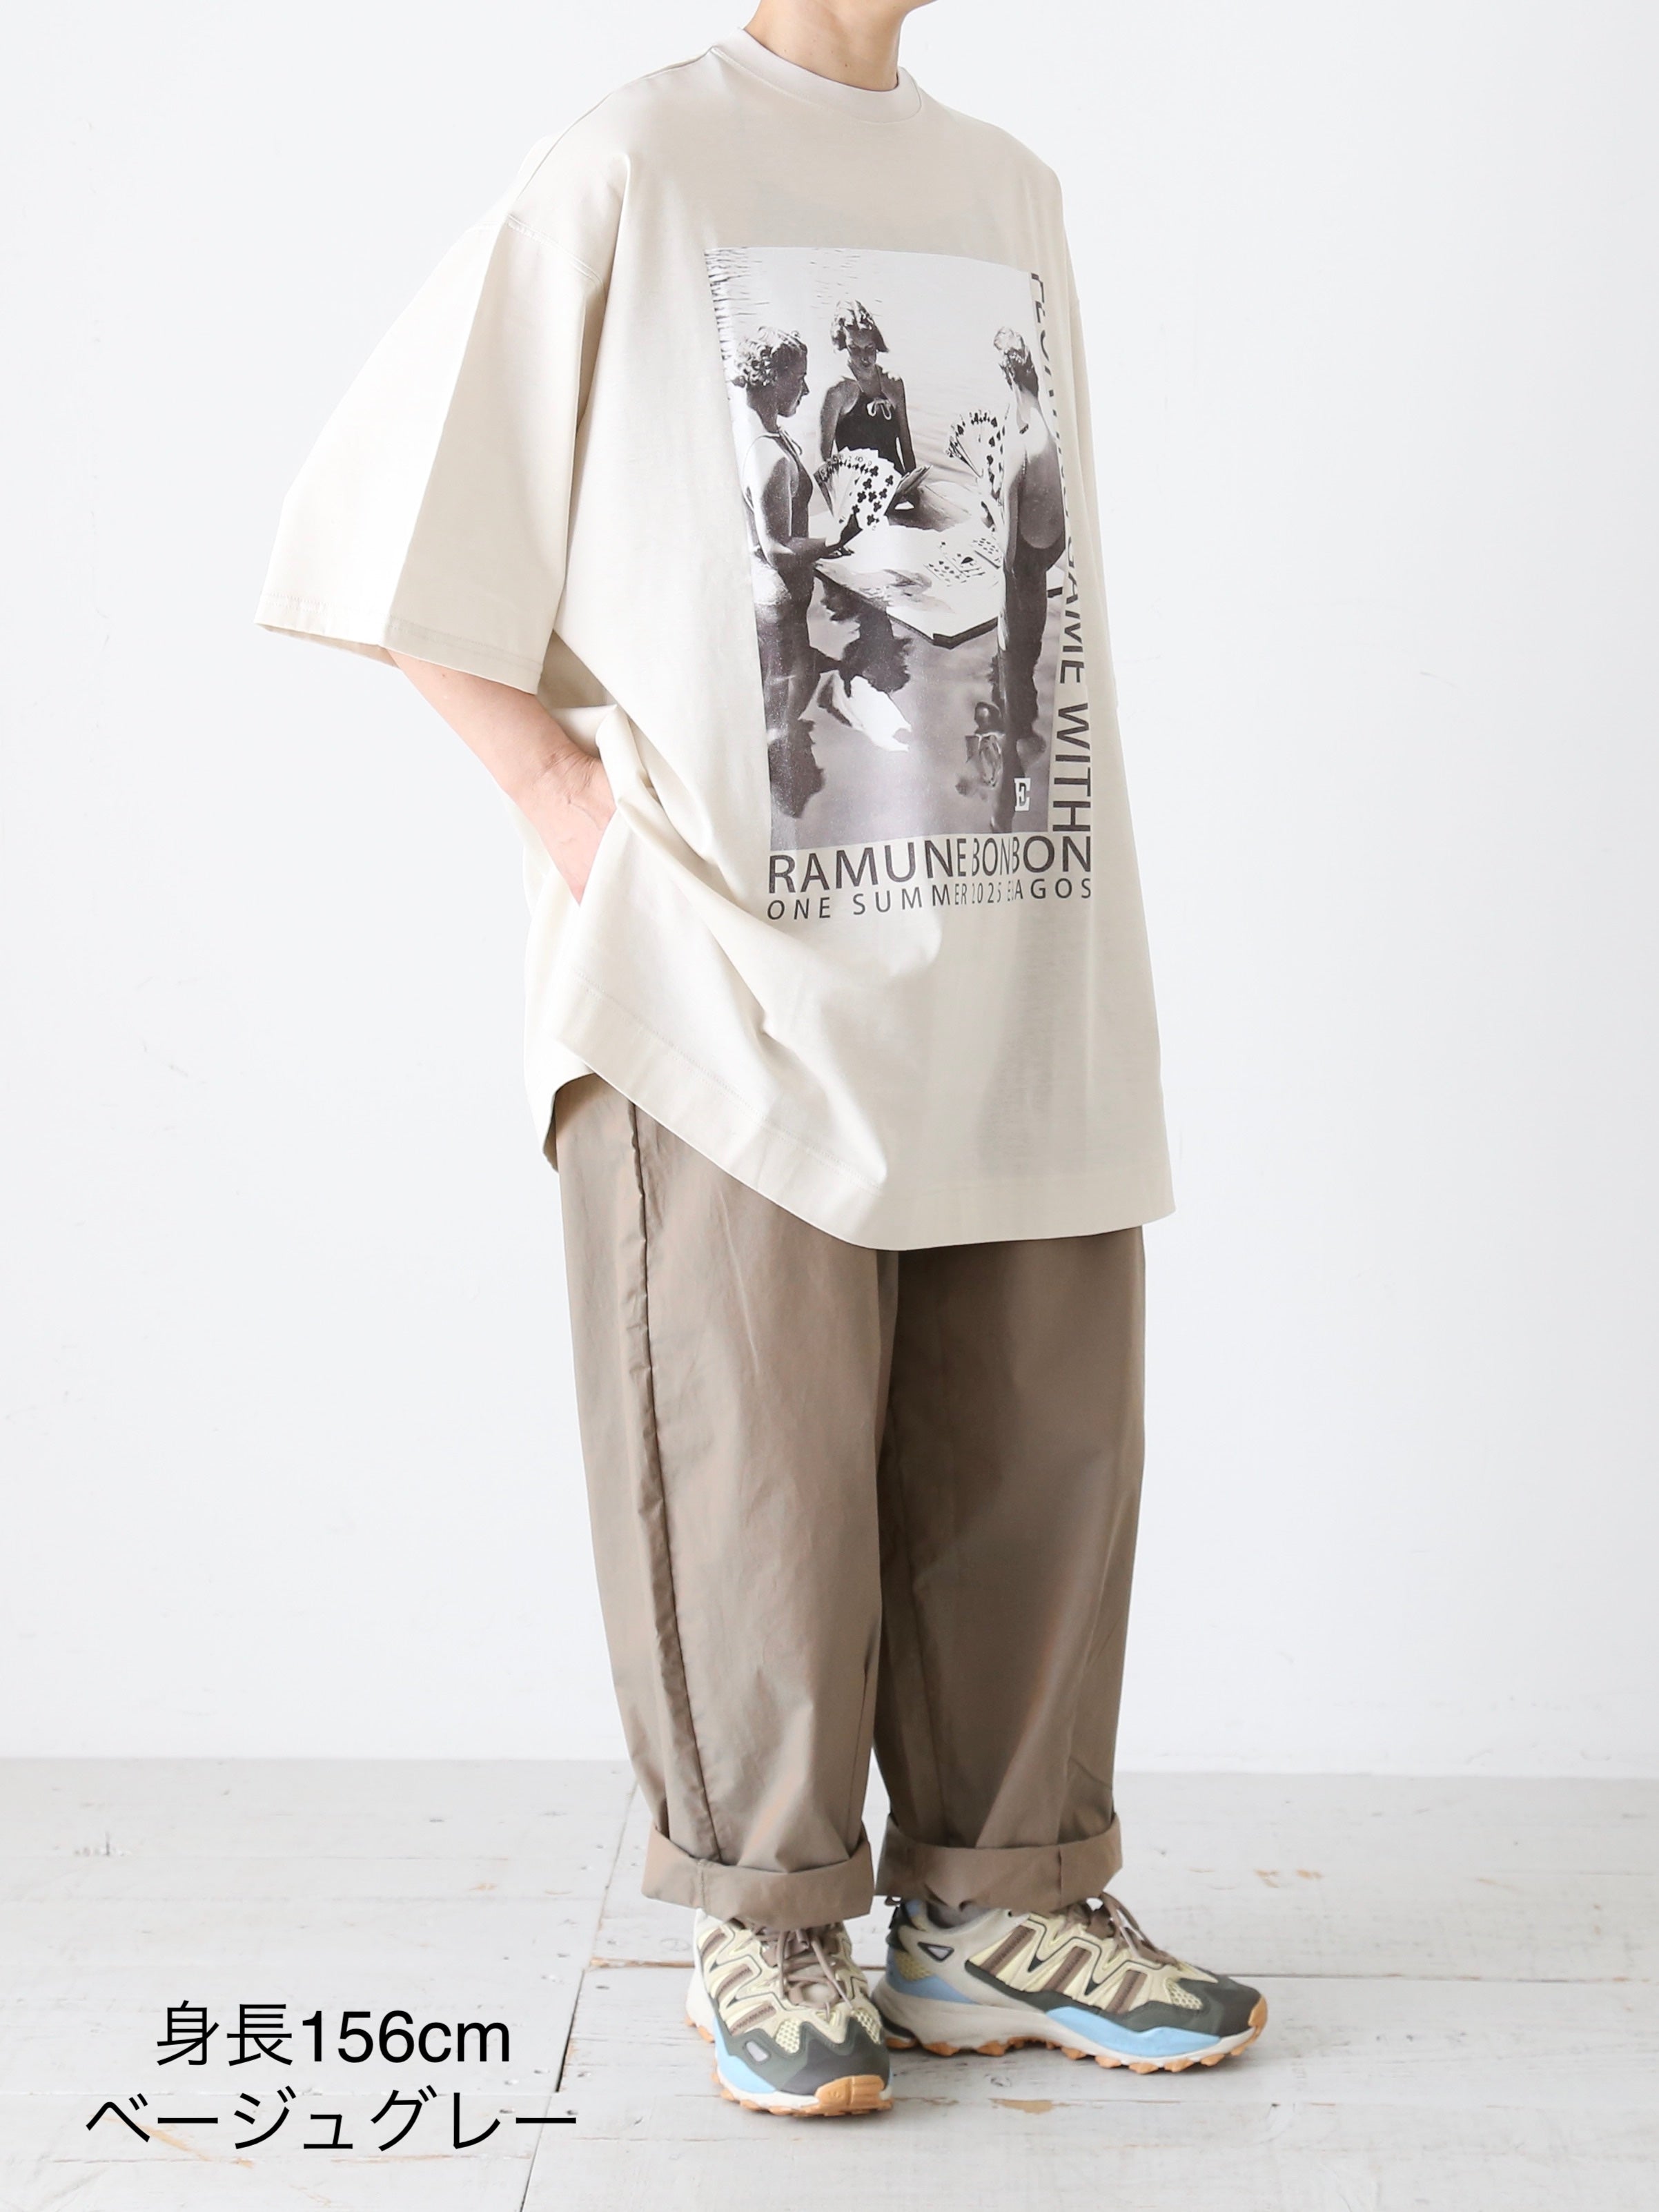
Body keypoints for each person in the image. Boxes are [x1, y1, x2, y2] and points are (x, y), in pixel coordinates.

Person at [258, 0, 1264, 2123]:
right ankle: (769, 1911)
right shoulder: (633, 165)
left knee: (1037, 1432)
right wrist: (564, 808)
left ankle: (1000, 1901)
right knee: (756, 1456)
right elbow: (392, 519)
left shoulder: (1007, 190)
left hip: (1011, 925)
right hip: (724, 962)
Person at [731, 327, 844, 816]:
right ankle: (774, 789)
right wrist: (836, 541)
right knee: (783, 715)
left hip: (772, 605)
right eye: (799, 378)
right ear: (772, 379)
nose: (807, 388)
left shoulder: (750, 430)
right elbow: (777, 549)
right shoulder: (768, 455)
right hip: (780, 607)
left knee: (784, 701)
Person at [989, 325, 1066, 833]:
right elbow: (1057, 535)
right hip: (1041, 579)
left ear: (1006, 381)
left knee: (1012, 680)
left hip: (1019, 588)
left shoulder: (1018, 450)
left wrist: (1002, 616)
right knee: (1026, 681)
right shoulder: (1048, 434)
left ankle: (1008, 810)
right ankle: (1020, 793)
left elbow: (1005, 554)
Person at [818, 298, 919, 482]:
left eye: (869, 348)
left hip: (896, 485)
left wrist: (913, 487)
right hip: (859, 491)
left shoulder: (893, 384)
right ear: (843, 345)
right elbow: (823, 461)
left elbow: (907, 449)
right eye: (854, 349)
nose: (864, 357)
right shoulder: (838, 391)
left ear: (877, 344)